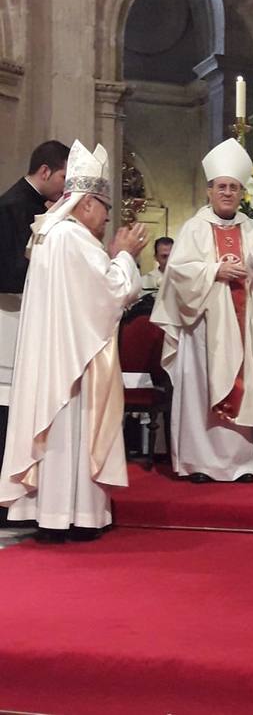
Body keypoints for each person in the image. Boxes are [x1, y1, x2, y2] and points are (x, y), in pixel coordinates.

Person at [0, 140, 147, 542]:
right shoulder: (74, 239)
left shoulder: (52, 234)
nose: (107, 216)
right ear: (86, 204)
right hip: (73, 367)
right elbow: (114, 292)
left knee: (57, 436)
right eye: (105, 207)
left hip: (56, 359)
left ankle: (52, 513)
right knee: (71, 433)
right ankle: (73, 515)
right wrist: (124, 255)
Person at [151, 138, 253, 483]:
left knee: (243, 385)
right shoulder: (193, 228)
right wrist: (214, 271)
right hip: (202, 327)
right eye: (221, 187)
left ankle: (239, 463)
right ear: (209, 191)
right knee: (200, 390)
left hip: (244, 326)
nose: (227, 193)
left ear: (241, 193)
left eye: (233, 188)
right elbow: (178, 272)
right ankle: (200, 462)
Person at [0, 140, 70, 520]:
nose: (64, 187)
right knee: (6, 411)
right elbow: (8, 273)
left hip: (26, 319)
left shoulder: (37, 206)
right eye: (62, 177)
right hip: (9, 321)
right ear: (45, 171)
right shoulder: (12, 207)